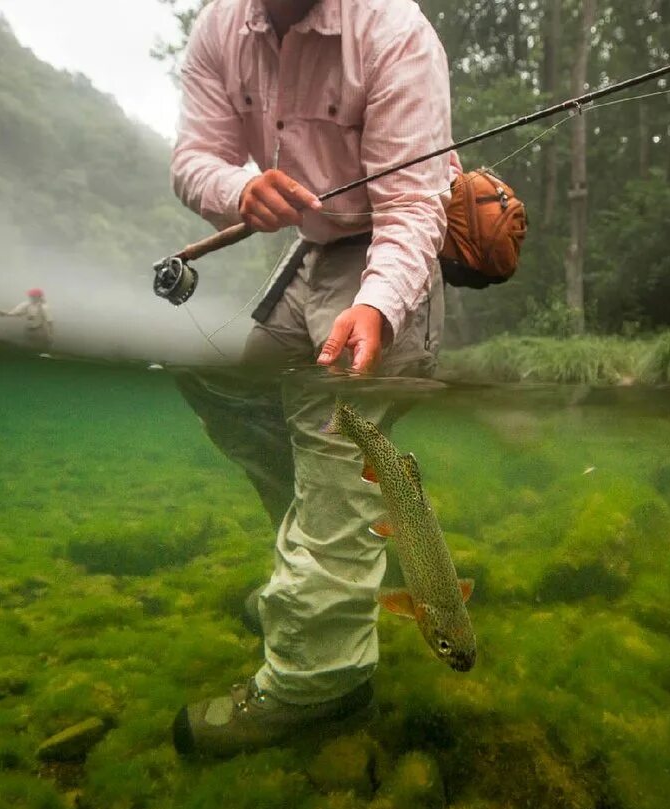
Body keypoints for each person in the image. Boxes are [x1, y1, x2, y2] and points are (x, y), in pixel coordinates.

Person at [168, 0, 456, 758]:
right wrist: (238, 189)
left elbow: (415, 207)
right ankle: (330, 570)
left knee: (334, 453)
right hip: (309, 257)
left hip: (387, 261)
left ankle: (321, 683)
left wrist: (378, 308)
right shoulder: (220, 28)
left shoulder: (394, 33)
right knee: (233, 398)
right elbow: (193, 156)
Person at [0, 288, 53, 352]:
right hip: (29, 328)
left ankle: (45, 352)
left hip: (40, 329)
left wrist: (50, 334)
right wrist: (2, 313)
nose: (31, 298)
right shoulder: (26, 304)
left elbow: (49, 322)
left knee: (42, 345)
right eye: (31, 296)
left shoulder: (44, 307)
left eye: (33, 296)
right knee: (29, 345)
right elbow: (14, 313)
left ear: (39, 297)